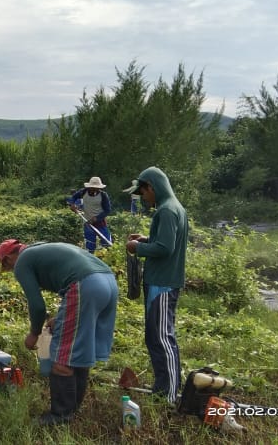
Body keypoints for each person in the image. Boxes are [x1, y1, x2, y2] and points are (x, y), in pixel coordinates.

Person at [0, 239, 119, 425]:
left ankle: (61, 415)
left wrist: (34, 334)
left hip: (85, 286)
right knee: (78, 348)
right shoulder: (41, 248)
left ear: (7, 258)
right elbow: (68, 283)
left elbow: (37, 306)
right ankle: (73, 409)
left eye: (8, 267)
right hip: (108, 282)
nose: (12, 270)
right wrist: (60, 317)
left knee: (62, 356)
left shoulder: (22, 262)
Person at [123, 167, 188, 404]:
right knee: (155, 337)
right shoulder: (174, 207)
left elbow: (165, 248)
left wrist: (137, 248)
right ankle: (163, 388)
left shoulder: (167, 211)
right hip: (161, 282)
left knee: (162, 339)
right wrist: (146, 239)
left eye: (143, 192)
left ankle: (168, 396)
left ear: (151, 187)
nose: (143, 198)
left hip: (163, 283)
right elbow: (164, 241)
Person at [67, 177, 112, 253]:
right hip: (87, 222)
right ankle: (90, 257)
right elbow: (73, 197)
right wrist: (72, 204)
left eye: (96, 188)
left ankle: (106, 257)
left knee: (106, 243)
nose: (94, 189)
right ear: (89, 187)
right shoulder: (83, 192)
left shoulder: (103, 195)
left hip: (100, 222)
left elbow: (107, 210)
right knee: (90, 245)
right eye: (93, 188)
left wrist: (96, 218)